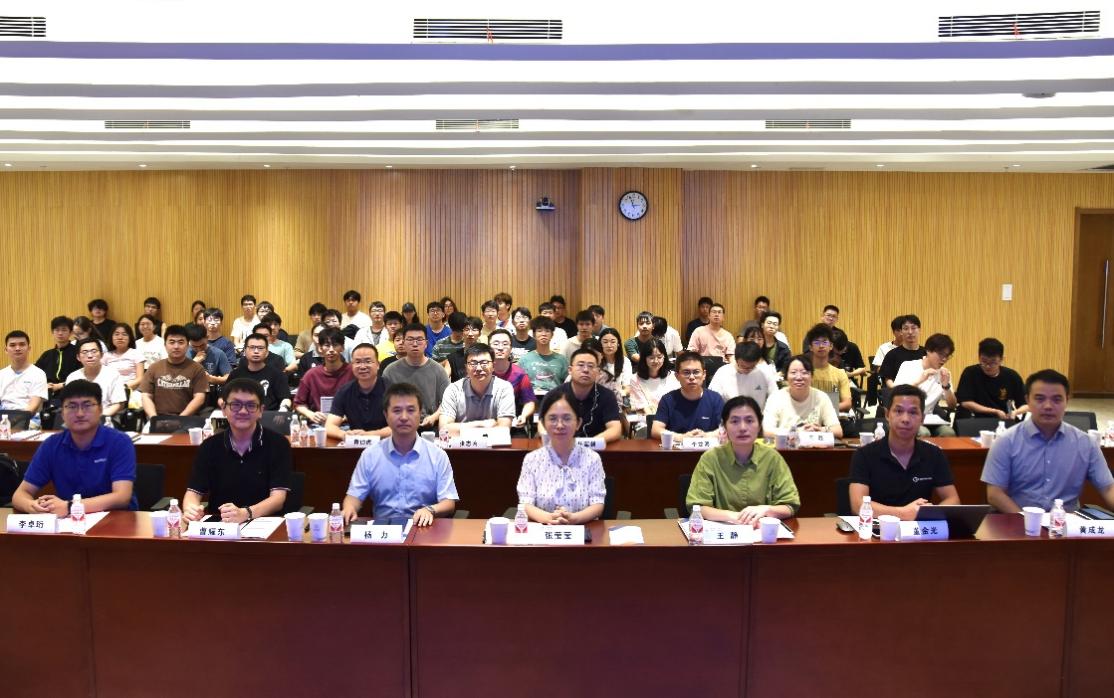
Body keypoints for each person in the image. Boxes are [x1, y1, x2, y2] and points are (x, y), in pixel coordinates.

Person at [981, 369, 1114, 512]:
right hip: (1018, 520)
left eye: (1057, 399)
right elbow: (995, 494)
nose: (1048, 406)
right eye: (1040, 399)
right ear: (1027, 401)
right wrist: (1028, 521)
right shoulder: (1006, 441)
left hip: (1067, 521)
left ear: (1067, 401)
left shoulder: (1085, 443)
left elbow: (1108, 488)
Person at [12, 380, 136, 514]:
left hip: (117, 518)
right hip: (69, 521)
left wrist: (70, 507)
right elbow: (20, 494)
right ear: (62, 413)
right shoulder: (51, 445)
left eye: (87, 405)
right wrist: (32, 506)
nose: (80, 413)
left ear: (100, 409)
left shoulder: (119, 442)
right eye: (72, 406)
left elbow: (122, 497)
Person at [341, 382, 458, 525]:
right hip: (383, 530)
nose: (404, 417)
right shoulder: (370, 455)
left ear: (420, 414)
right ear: (386, 415)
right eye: (397, 411)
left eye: (410, 410)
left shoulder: (437, 455)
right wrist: (349, 508)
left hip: (423, 528)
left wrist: (430, 510)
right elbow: (354, 496)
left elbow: (448, 502)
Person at [182, 378, 292, 523]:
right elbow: (193, 493)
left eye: (251, 405)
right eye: (235, 405)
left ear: (261, 410)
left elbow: (278, 499)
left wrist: (245, 513)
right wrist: (190, 509)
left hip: (265, 524)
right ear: (223, 409)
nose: (243, 411)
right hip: (221, 525)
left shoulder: (278, 444)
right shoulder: (209, 446)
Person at [849, 384, 960, 520]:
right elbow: (858, 505)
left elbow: (953, 500)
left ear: (922, 419)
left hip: (918, 530)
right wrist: (903, 513)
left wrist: (928, 512)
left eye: (913, 412)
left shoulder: (934, 454)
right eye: (898, 411)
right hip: (878, 530)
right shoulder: (864, 455)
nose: (905, 419)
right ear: (887, 414)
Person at [686, 395, 800, 524]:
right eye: (734, 421)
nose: (742, 428)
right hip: (723, 531)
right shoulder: (710, 458)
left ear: (759, 425)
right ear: (724, 426)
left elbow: (790, 505)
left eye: (749, 421)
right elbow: (698, 507)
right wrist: (735, 517)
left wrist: (767, 510)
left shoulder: (773, 458)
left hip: (762, 532)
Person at [516, 390, 607, 524]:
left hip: (582, 530)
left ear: (578, 423)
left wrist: (574, 518)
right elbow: (525, 502)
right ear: (543, 423)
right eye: (552, 418)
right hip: (543, 530)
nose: (559, 425)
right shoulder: (532, 459)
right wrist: (549, 518)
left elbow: (597, 504)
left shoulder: (592, 459)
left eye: (567, 418)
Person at [546, 347, 622, 443]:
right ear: (570, 370)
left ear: (598, 372)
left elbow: (615, 429)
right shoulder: (554, 395)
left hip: (596, 447)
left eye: (590, 366)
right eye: (581, 365)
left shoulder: (607, 396)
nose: (586, 370)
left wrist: (587, 444)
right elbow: (543, 426)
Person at [438, 343, 515, 435]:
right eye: (473, 363)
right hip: (461, 443)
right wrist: (481, 424)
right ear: (466, 368)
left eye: (484, 363)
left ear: (493, 366)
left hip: (493, 444)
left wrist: (458, 429)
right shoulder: (453, 390)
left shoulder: (504, 388)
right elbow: (443, 430)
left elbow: (503, 430)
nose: (478, 368)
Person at [381, 322, 449, 428]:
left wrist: (434, 417)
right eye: (410, 339)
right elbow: (385, 402)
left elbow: (447, 402)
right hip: (398, 425)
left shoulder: (438, 370)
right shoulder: (390, 371)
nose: (415, 344)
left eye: (419, 339)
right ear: (403, 342)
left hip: (429, 425)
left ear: (426, 343)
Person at [762, 355, 843, 438]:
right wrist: (797, 432)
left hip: (813, 444)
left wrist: (821, 430)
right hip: (785, 445)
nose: (799, 377)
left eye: (804, 373)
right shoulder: (776, 398)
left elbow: (838, 430)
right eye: (793, 372)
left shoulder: (821, 397)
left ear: (812, 377)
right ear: (786, 377)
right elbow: (767, 431)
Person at [893, 333, 957, 436]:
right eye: (941, 354)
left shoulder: (944, 373)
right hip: (906, 416)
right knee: (924, 433)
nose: (944, 359)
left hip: (929, 419)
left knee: (948, 432)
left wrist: (946, 386)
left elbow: (952, 405)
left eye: (947, 355)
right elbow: (896, 396)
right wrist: (920, 381)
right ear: (928, 351)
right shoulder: (908, 366)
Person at [651, 351, 724, 440]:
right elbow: (656, 430)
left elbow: (726, 429)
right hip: (677, 447)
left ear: (704, 374)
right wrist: (682, 437)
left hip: (708, 447)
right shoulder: (668, 400)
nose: (692, 377)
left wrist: (706, 436)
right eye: (686, 372)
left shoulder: (715, 399)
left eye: (696, 372)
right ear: (677, 376)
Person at [138, 325, 208, 418]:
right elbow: (146, 396)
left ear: (187, 345)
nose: (176, 346)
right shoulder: (154, 368)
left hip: (187, 419)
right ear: (165, 345)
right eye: (172, 342)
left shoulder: (197, 369)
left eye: (181, 342)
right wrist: (153, 418)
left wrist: (180, 418)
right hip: (158, 418)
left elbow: (199, 398)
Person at [325, 343, 390, 440]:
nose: (362, 366)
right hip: (355, 443)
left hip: (387, 443)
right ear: (352, 365)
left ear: (378, 365)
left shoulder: (393, 390)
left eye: (368, 361)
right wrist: (344, 435)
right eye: (358, 362)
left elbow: (400, 427)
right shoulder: (345, 391)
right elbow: (330, 426)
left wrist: (370, 435)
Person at [955, 337, 1028, 421]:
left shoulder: (1012, 376)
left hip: (1002, 420)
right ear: (979, 357)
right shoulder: (970, 373)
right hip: (975, 419)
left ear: (1001, 360)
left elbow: (1025, 405)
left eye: (993, 362)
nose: (987, 366)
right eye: (984, 361)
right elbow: (965, 402)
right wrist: (995, 411)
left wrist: (1015, 412)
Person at [293, 326, 354, 425]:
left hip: (347, 425)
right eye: (327, 345)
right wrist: (311, 414)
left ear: (342, 348)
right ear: (320, 348)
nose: (331, 349)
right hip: (318, 425)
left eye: (335, 345)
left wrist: (347, 415)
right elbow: (298, 403)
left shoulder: (353, 372)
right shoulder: (311, 375)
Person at [227, 333, 292, 412]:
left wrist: (283, 408)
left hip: (268, 415)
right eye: (252, 347)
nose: (256, 351)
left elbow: (286, 398)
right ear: (245, 350)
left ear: (267, 351)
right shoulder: (235, 375)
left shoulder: (278, 375)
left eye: (260, 348)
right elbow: (223, 398)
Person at [489, 329, 537, 429]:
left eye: (505, 344)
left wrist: (523, 416)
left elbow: (529, 402)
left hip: (512, 424)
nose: (500, 348)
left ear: (511, 348)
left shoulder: (520, 374)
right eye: (496, 344)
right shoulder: (481, 372)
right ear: (488, 347)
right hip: (486, 424)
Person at [66, 338, 126, 416]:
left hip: (104, 417)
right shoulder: (72, 377)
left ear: (102, 354)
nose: (90, 356)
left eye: (94, 351)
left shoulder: (113, 374)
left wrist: (98, 417)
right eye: (85, 352)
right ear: (78, 357)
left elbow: (118, 404)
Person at [709, 341, 779, 405]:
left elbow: (775, 397)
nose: (746, 370)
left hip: (758, 413)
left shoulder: (765, 372)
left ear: (757, 362)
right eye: (743, 366)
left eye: (751, 367)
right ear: (736, 360)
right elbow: (712, 400)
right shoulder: (723, 372)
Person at [804, 323, 852, 412]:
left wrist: (824, 410)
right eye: (817, 342)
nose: (821, 346)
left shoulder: (840, 373)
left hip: (833, 416)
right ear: (810, 347)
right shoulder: (804, 373)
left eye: (824, 342)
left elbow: (847, 403)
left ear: (831, 346)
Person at [629, 338, 680, 417]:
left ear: (664, 357)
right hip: (647, 420)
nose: (656, 361)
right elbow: (641, 408)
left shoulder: (673, 376)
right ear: (644, 358)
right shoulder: (635, 379)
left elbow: (678, 403)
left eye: (659, 357)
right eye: (651, 358)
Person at [519, 316, 569, 395]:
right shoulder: (525, 359)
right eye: (539, 331)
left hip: (555, 398)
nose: (543, 334)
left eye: (547, 331)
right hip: (532, 398)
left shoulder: (561, 360)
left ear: (552, 335)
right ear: (534, 334)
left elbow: (568, 385)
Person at [0, 330, 47, 414]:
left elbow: (34, 405)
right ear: (6, 350)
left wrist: (16, 420)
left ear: (29, 348)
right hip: (3, 417)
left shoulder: (38, 374)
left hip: (28, 418)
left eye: (22, 344)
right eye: (12, 345)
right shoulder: (2, 374)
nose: (17, 348)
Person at [186, 324, 232, 408]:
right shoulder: (184, 353)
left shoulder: (218, 353)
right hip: (187, 395)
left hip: (211, 395)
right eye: (194, 346)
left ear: (207, 337)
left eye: (202, 345)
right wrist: (194, 363)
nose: (199, 349)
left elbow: (229, 378)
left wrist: (211, 379)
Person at [35, 316, 81, 395]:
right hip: (47, 395)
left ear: (71, 332)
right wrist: (44, 385)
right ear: (52, 332)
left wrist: (61, 385)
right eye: (57, 330)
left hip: (71, 393)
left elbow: (83, 376)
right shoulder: (47, 355)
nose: (60, 333)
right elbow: (35, 374)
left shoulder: (78, 352)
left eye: (64, 330)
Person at [878, 314, 926, 389]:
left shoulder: (927, 353)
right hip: (898, 392)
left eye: (913, 328)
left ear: (919, 330)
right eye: (906, 328)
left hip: (924, 392)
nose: (910, 332)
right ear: (901, 332)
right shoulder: (892, 354)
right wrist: (898, 390)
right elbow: (888, 380)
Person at [102, 322, 145, 393]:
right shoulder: (106, 356)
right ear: (111, 337)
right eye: (116, 334)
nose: (120, 338)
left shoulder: (136, 353)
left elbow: (140, 378)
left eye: (124, 334)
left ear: (130, 338)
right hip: (110, 390)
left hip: (131, 391)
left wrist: (123, 387)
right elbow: (102, 377)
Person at [443, 316, 483, 382]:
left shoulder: (486, 355)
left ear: (480, 333)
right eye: (467, 329)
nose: (470, 334)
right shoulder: (452, 358)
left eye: (474, 330)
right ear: (462, 333)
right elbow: (443, 379)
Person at [597, 327, 631, 404]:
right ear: (600, 344)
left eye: (613, 342)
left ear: (618, 344)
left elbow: (627, 387)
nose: (609, 345)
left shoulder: (625, 361)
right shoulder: (596, 360)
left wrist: (618, 394)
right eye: (605, 342)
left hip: (617, 399)